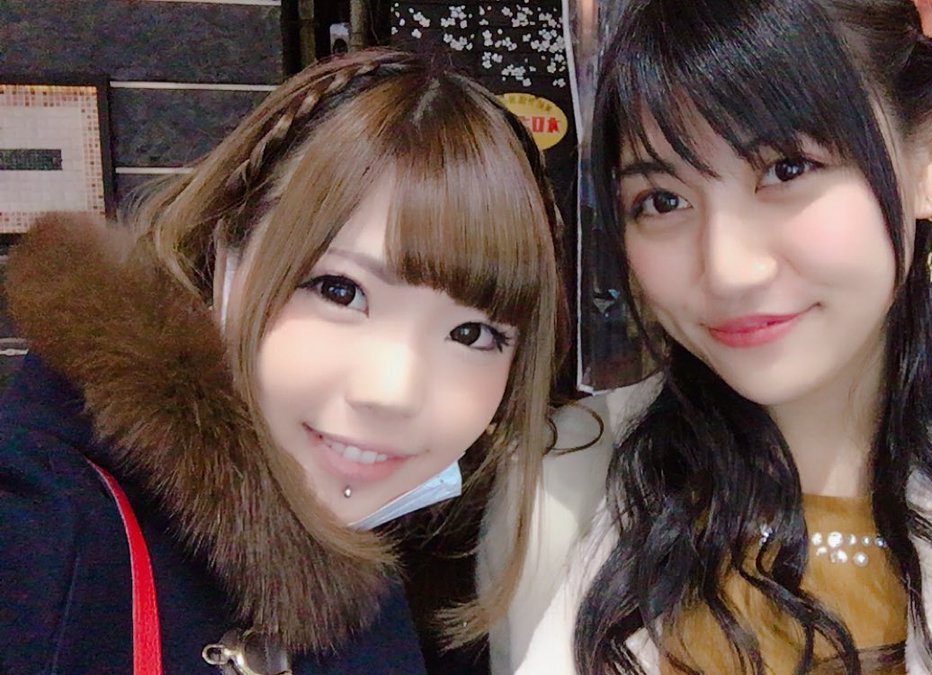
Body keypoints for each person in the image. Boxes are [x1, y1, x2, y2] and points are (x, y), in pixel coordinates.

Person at [480, 0, 932, 673]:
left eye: (787, 168)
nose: (727, 269)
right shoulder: (561, 487)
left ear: (928, 158)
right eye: (662, 200)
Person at [0, 48, 562, 673]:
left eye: (472, 334)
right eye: (340, 291)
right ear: (227, 255)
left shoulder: (417, 550)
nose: (394, 392)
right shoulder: (44, 525)